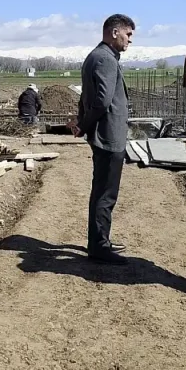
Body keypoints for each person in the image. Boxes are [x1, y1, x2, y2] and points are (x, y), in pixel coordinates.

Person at [67, 14, 134, 265]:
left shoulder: (99, 56)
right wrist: (84, 125)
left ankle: (100, 240)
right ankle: (99, 247)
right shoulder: (105, 59)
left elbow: (88, 96)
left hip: (105, 135)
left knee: (102, 192)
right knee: (106, 194)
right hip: (109, 136)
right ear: (114, 32)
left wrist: (83, 124)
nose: (130, 41)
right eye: (128, 35)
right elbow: (101, 101)